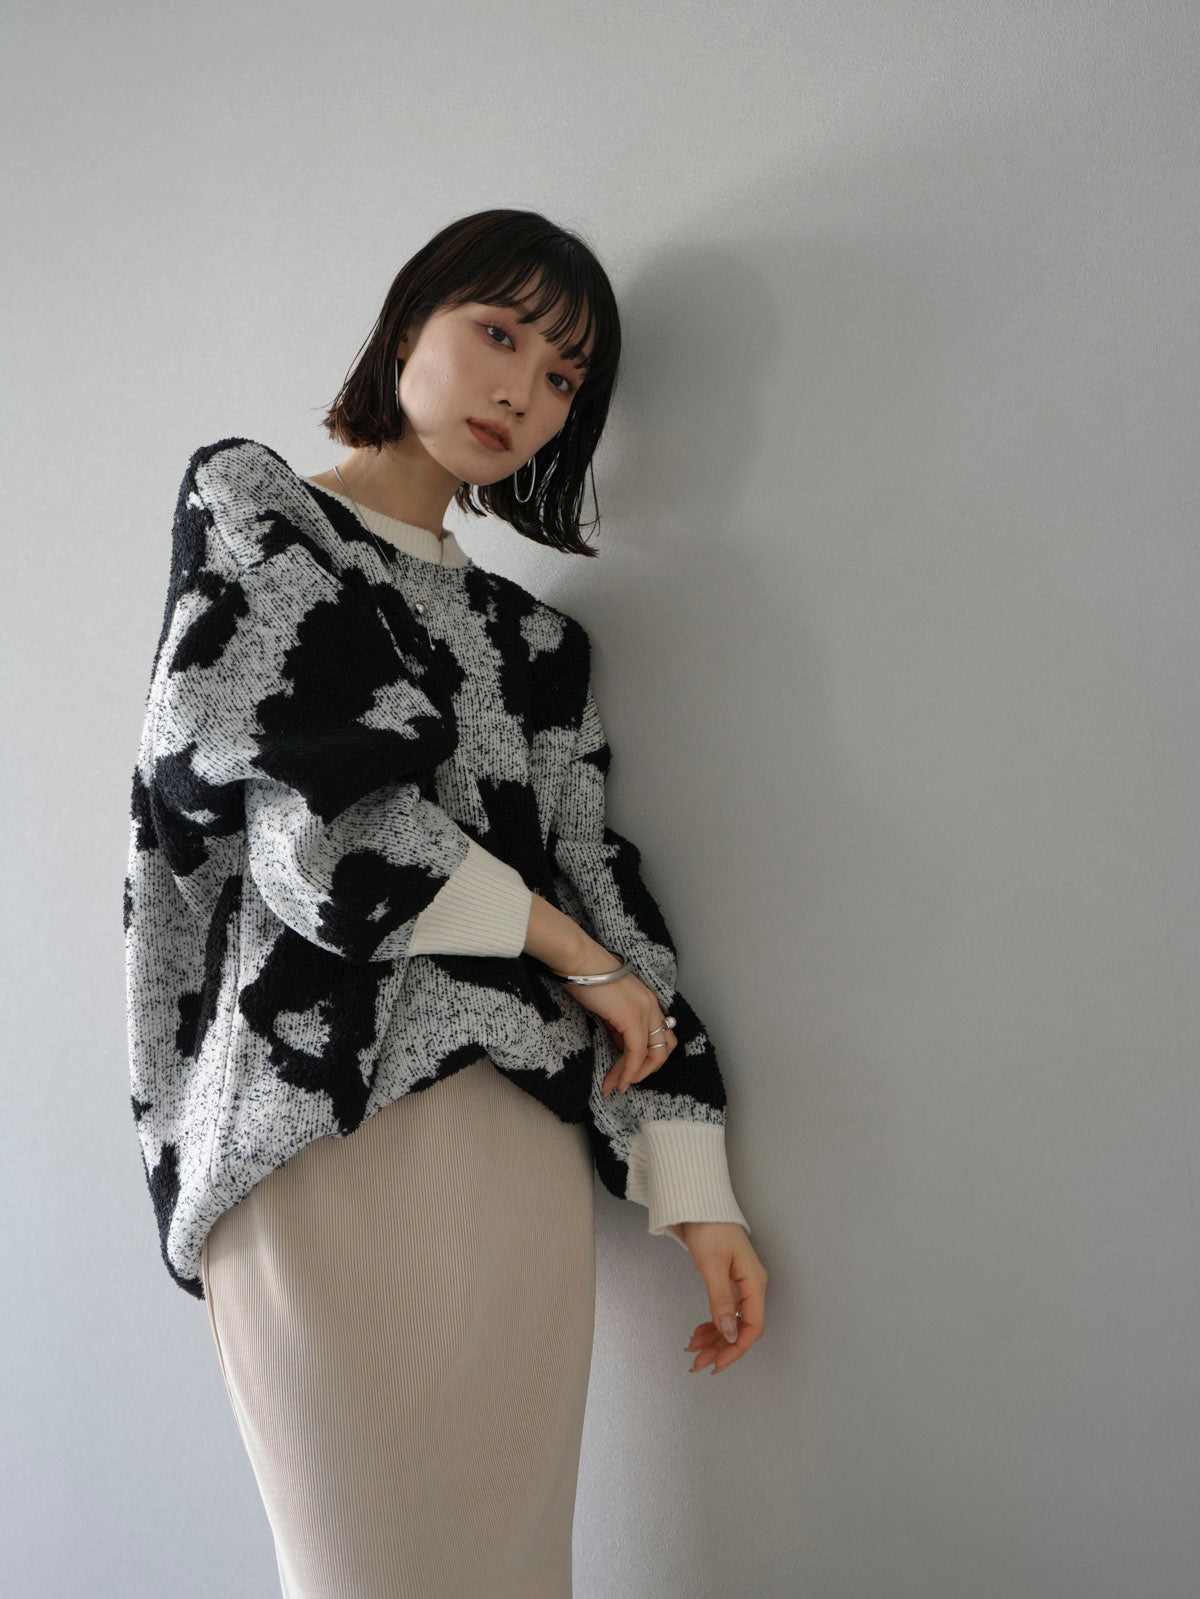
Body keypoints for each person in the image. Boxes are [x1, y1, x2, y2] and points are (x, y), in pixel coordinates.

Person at [124, 207, 767, 1597]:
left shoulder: (540, 644)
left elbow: (604, 883)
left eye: (561, 377)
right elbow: (324, 839)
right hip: (314, 1133)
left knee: (517, 1572)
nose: (520, 392)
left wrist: (693, 1185)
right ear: (408, 321)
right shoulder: (257, 510)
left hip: (519, 1149)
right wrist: (564, 949)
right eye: (498, 334)